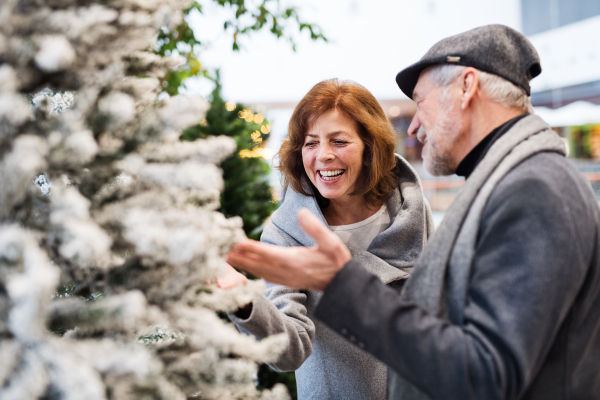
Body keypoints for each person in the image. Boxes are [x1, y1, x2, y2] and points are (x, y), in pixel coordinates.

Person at [227, 24, 600, 400]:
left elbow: (485, 373)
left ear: (467, 87)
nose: (416, 124)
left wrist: (343, 283)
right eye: (312, 143)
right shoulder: (521, 182)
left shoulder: (530, 189)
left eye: (420, 101)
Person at [220, 78, 434, 400]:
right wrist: (243, 302)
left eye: (339, 141)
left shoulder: (412, 213)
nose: (323, 156)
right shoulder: (285, 232)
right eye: (310, 143)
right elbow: (289, 352)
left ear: (369, 148)